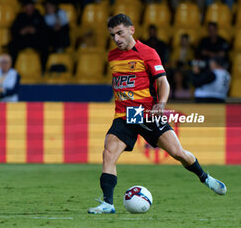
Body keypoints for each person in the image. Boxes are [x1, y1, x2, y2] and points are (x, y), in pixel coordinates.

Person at [87, 14, 227, 214]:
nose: (116, 39)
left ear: (131, 30)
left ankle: (205, 178)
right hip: (125, 115)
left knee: (178, 153)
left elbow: (163, 81)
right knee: (108, 153)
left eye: (120, 33)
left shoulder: (147, 53)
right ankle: (108, 203)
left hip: (146, 113)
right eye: (112, 36)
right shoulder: (113, 57)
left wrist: (161, 103)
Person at [8, 0, 48, 70]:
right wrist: (21, 32)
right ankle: (11, 68)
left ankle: (43, 69)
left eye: (31, 7)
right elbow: (13, 30)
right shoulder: (20, 17)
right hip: (23, 40)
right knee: (12, 46)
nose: (29, 9)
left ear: (33, 7)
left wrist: (35, 31)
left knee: (45, 47)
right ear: (24, 8)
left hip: (35, 40)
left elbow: (45, 31)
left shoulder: (39, 16)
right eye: (27, 7)